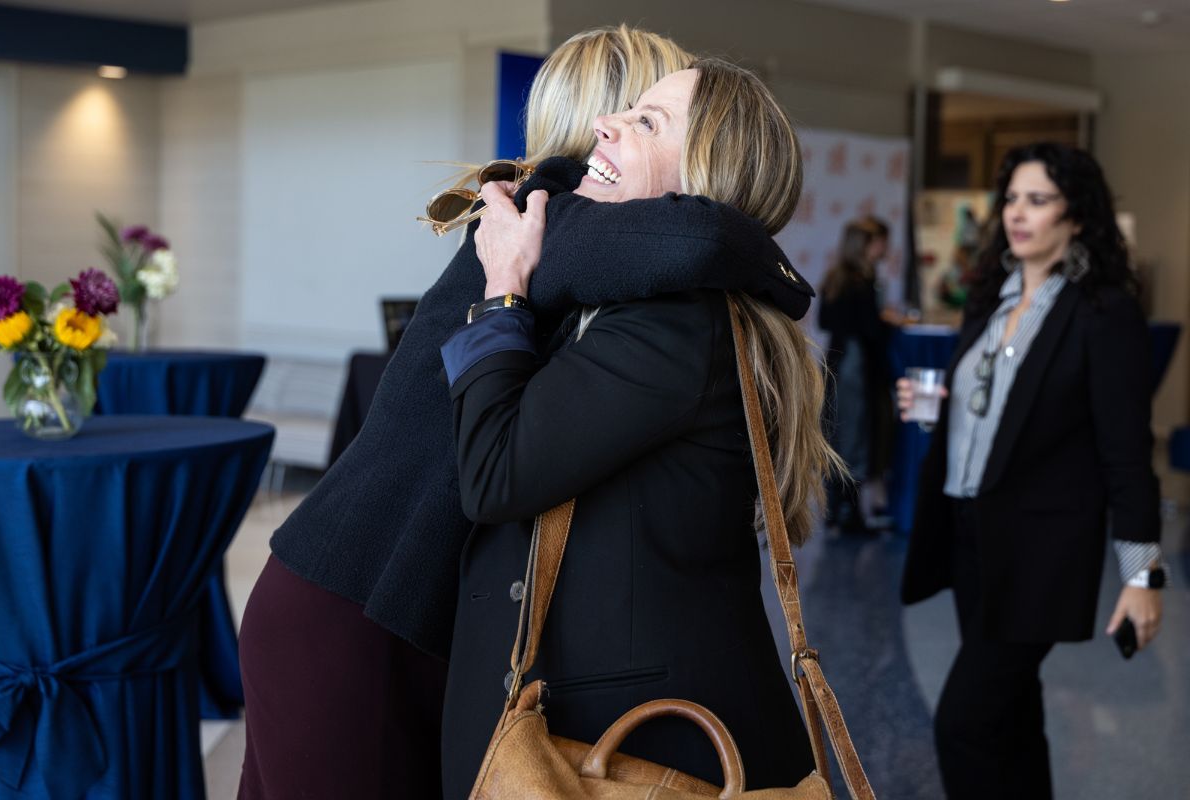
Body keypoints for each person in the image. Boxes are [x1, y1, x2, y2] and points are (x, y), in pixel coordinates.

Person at [238, 26, 812, 798]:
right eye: (632, 109)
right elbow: (705, 234)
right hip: (357, 605)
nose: (618, 128)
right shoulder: (556, 215)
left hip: (379, 604)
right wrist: (782, 275)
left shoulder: (583, 238)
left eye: (650, 119)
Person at [439, 59, 838, 797]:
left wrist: (502, 292)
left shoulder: (677, 322)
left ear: (699, 188)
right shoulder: (645, 300)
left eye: (647, 122)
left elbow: (494, 472)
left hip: (645, 748)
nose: (605, 124)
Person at [898, 142, 1165, 799]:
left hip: (1042, 554)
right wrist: (934, 413)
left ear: (1076, 217)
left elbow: (1128, 455)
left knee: (963, 721)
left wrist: (1143, 576)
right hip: (972, 537)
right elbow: (994, 420)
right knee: (1011, 718)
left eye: (1038, 200)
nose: (1018, 213)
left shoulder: (1104, 313)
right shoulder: (991, 296)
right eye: (1012, 198)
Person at [819, 216, 897, 532]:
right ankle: (851, 516)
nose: (884, 249)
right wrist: (886, 322)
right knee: (856, 437)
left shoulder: (836, 278)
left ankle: (836, 511)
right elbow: (871, 331)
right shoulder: (860, 282)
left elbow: (826, 321)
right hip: (855, 367)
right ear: (865, 245)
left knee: (837, 436)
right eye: (880, 242)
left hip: (837, 363)